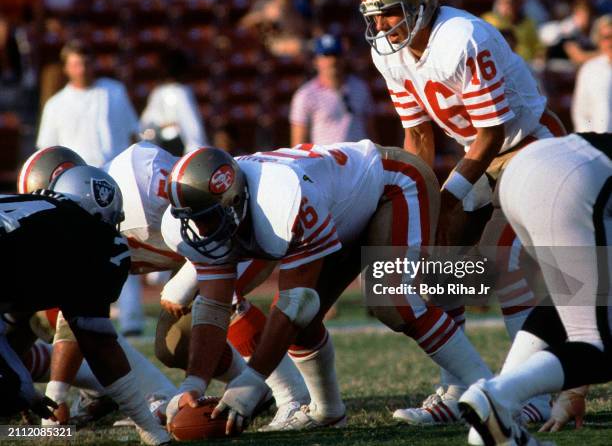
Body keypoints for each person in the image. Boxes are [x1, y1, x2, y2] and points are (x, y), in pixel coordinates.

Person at [162, 141, 496, 432]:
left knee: (392, 302)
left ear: (233, 199)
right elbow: (214, 305)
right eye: (191, 218)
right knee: (302, 322)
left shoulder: (280, 199)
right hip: (339, 209)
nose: (197, 228)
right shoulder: (217, 216)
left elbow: (294, 304)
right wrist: (194, 383)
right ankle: (327, 411)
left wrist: (248, 383)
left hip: (391, 184)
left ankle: (489, 391)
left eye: (205, 217)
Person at [359, 0, 565, 423]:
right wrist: (421, 199)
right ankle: (458, 385)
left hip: (529, 148)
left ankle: (533, 394)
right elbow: (419, 136)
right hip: (479, 153)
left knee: (505, 260)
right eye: (373, 17)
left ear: (419, 4)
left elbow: (493, 132)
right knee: (437, 259)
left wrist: (448, 197)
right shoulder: (389, 52)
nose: (380, 25)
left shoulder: (460, 38)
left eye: (387, 12)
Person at [17, 143, 310, 431]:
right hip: (204, 257)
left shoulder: (137, 179)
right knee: (174, 344)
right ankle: (240, 390)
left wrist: (185, 281)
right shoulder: (78, 232)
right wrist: (55, 397)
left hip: (239, 235)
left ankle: (292, 396)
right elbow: (77, 315)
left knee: (218, 300)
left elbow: (212, 208)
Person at [459, 132, 612, 445]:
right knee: (603, 350)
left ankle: (491, 423)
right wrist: (575, 383)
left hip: (525, 167)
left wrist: (573, 386)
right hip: (573, 179)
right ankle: (497, 395)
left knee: (573, 294)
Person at [0, 165, 170, 445]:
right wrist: (149, 427)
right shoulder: (91, 236)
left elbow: (15, 322)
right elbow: (97, 343)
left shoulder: (30, 216)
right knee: (12, 389)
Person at [36, 40, 140, 168]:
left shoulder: (115, 91)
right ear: (66, 68)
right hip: (78, 176)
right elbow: (48, 149)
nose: (82, 70)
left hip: (117, 171)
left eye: (86, 63)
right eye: (76, 65)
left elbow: (133, 133)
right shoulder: (54, 105)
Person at [290, 33, 376, 146]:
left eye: (336, 55)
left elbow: (371, 129)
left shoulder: (360, 87)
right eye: (326, 55)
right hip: (326, 160)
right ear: (316, 61)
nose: (332, 61)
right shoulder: (305, 95)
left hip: (359, 158)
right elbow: (298, 143)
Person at [140, 48, 209, 156]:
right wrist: (197, 153)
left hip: (166, 147)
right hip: (174, 147)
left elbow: (146, 124)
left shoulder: (157, 92)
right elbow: (191, 126)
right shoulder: (180, 92)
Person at [571, 14, 612, 133]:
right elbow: (580, 111)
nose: (610, 42)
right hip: (598, 141)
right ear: (599, 40)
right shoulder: (589, 69)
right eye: (606, 37)